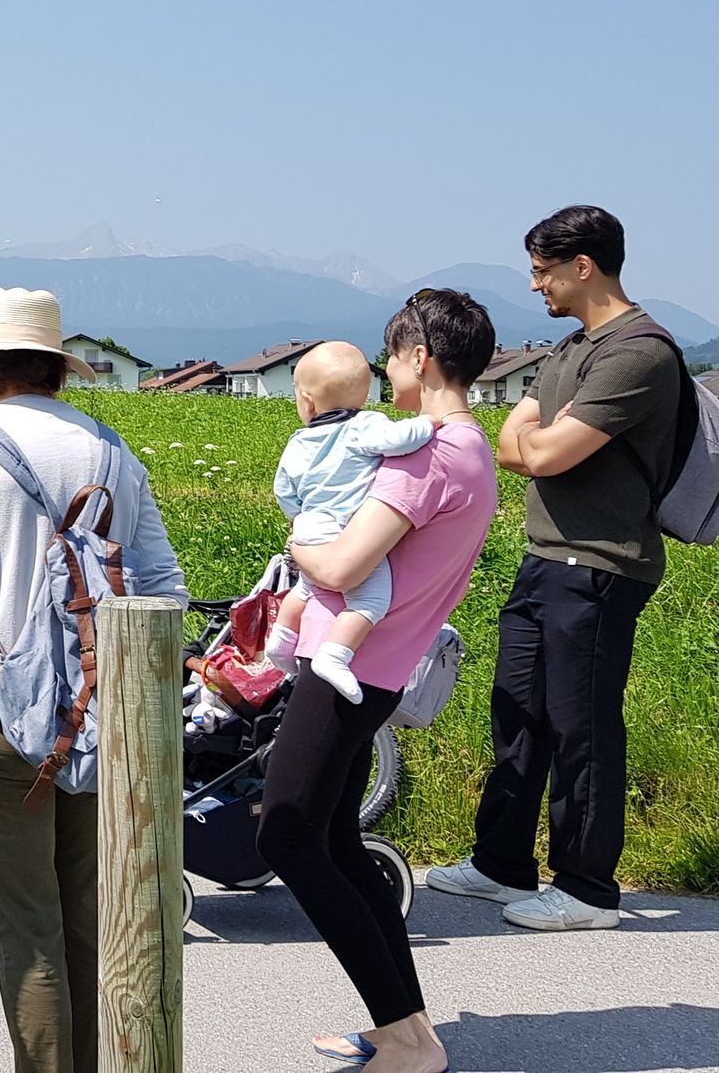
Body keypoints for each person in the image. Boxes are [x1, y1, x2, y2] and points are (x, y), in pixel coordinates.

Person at [0, 286, 188, 1073]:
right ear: (57, 369)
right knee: (88, 920)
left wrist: (6, 676)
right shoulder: (111, 451)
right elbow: (164, 581)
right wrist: (109, 686)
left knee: (28, 928)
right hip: (103, 718)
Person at [258, 290, 498, 1073]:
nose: (384, 371)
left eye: (391, 357)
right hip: (379, 667)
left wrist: (298, 536)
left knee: (286, 830)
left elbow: (341, 562)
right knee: (336, 841)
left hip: (351, 664)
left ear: (419, 358)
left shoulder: (430, 455)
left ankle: (404, 1039)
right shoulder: (470, 445)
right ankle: (410, 1026)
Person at [427, 205, 684, 933]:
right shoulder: (571, 348)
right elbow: (513, 442)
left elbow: (538, 453)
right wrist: (538, 429)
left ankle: (588, 885)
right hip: (546, 556)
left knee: (582, 725)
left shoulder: (640, 352)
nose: (536, 284)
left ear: (583, 266)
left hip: (603, 564)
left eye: (544, 270)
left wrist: (538, 431)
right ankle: (501, 861)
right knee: (518, 713)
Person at [263, 342, 441, 702]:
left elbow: (284, 489)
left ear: (308, 402)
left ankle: (280, 638)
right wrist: (428, 423)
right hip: (344, 528)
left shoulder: (299, 441)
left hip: (309, 525)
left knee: (308, 587)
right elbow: (400, 440)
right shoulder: (365, 425)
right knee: (371, 599)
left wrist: (298, 518)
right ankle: (336, 654)